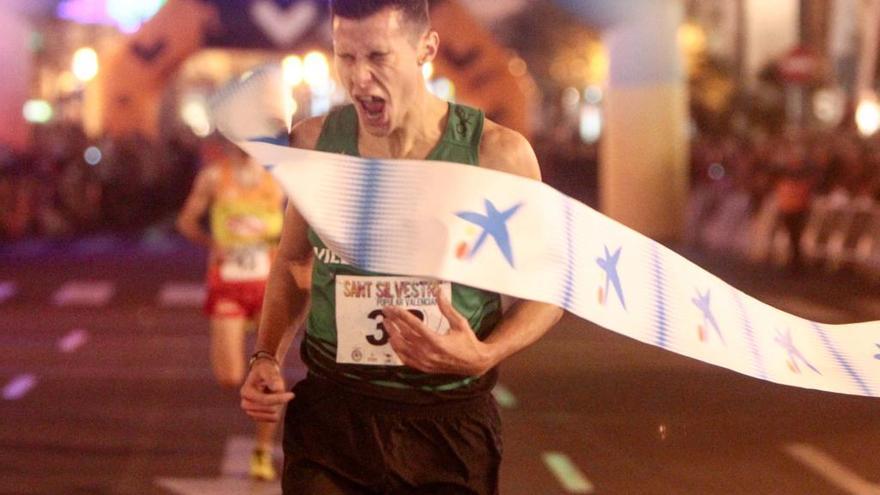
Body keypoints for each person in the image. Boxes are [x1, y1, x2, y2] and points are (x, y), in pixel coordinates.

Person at [239, 1, 564, 493]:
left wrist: (485, 352)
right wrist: (265, 355)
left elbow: (552, 288)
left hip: (446, 424)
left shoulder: (496, 154)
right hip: (332, 416)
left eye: (377, 56)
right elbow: (292, 262)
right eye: (344, 57)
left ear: (425, 49)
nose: (359, 77)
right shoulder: (314, 144)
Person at [176, 136, 287, 481]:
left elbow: (299, 226)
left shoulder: (279, 176)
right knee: (230, 377)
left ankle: (262, 451)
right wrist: (214, 244)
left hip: (268, 287)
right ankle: (242, 332)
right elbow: (186, 222)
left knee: (270, 373)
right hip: (228, 283)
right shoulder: (214, 177)